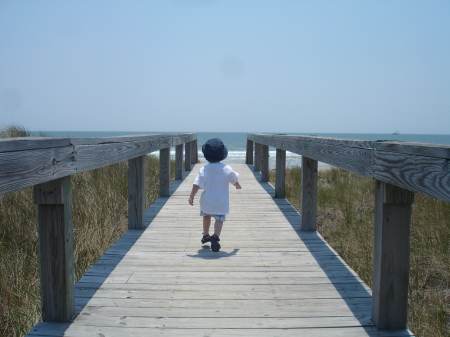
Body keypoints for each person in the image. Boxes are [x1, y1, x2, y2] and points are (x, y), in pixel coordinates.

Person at [188, 138, 241, 252]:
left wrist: (192, 195)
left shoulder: (204, 169)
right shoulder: (226, 168)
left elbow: (196, 184)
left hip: (207, 201)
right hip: (221, 202)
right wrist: (237, 185)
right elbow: (233, 179)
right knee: (219, 220)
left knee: (206, 216)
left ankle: (206, 235)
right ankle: (215, 237)